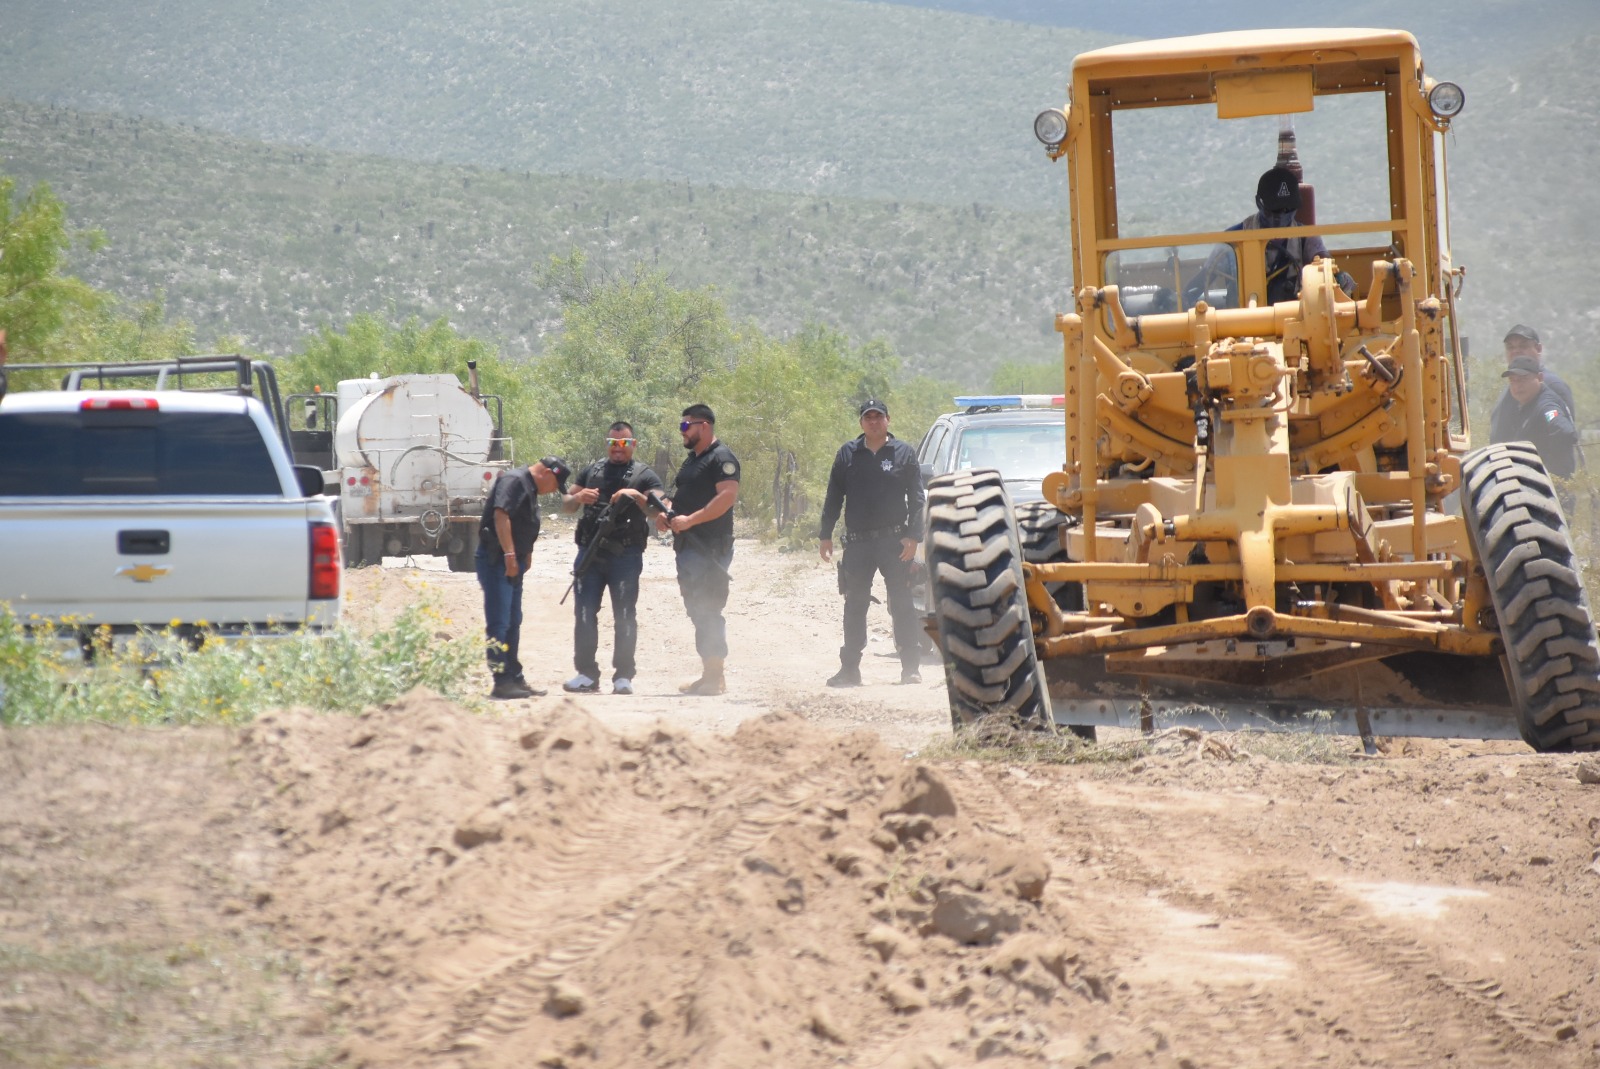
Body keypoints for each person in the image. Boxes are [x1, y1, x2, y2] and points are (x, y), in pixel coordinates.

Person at [818, 398, 926, 687]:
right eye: (868, 417)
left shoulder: (903, 453)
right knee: (854, 604)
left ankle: (910, 669)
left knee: (902, 603)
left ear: (888, 420)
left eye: (879, 417)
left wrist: (914, 536)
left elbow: (917, 499)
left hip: (894, 542)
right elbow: (833, 497)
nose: (874, 422)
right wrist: (825, 534)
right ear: (861, 422)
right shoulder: (848, 454)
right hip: (858, 543)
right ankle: (849, 669)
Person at [559, 421, 665, 696]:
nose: (618, 449)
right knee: (584, 614)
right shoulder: (591, 471)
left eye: (624, 444)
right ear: (607, 443)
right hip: (590, 553)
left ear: (633, 445)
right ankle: (586, 674)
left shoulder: (644, 475)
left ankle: (623, 676)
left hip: (625, 555)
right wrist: (579, 497)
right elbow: (567, 505)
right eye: (614, 443)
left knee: (625, 615)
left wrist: (635, 496)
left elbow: (659, 510)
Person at [654, 403, 740, 695]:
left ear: (704, 425)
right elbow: (682, 498)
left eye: (685, 425)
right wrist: (667, 515)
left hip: (710, 548)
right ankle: (709, 674)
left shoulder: (722, 458)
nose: (682, 432)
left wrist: (690, 520)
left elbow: (727, 497)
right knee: (697, 609)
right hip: (689, 547)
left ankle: (716, 677)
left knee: (708, 609)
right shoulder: (693, 460)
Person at [1187, 167, 1355, 307]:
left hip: (1292, 326)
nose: (1281, 218)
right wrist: (1181, 298)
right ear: (1259, 204)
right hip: (1240, 327)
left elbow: (1326, 269)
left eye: (1288, 211)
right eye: (1273, 211)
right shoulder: (1233, 240)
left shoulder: (1307, 239)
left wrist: (1339, 279)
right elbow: (1204, 279)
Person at [476, 456, 570, 700]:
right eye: (555, 485)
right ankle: (501, 680)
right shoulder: (514, 480)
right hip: (497, 559)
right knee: (499, 622)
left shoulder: (528, 486)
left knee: (513, 620)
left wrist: (525, 554)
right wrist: (509, 554)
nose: (552, 491)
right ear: (548, 473)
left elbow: (523, 522)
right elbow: (501, 515)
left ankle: (514, 677)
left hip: (513, 561)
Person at [1491, 355, 1579, 480]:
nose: (1517, 386)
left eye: (1523, 379)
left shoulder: (1546, 406)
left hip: (1552, 491)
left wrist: (1546, 469)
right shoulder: (1526, 404)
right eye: (1513, 380)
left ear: (1540, 377)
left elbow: (1563, 431)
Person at [1489, 325, 1576, 446]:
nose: (1515, 351)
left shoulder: (1552, 385)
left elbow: (1562, 432)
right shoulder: (1509, 388)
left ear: (1538, 348)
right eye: (1510, 347)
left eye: (1523, 346)